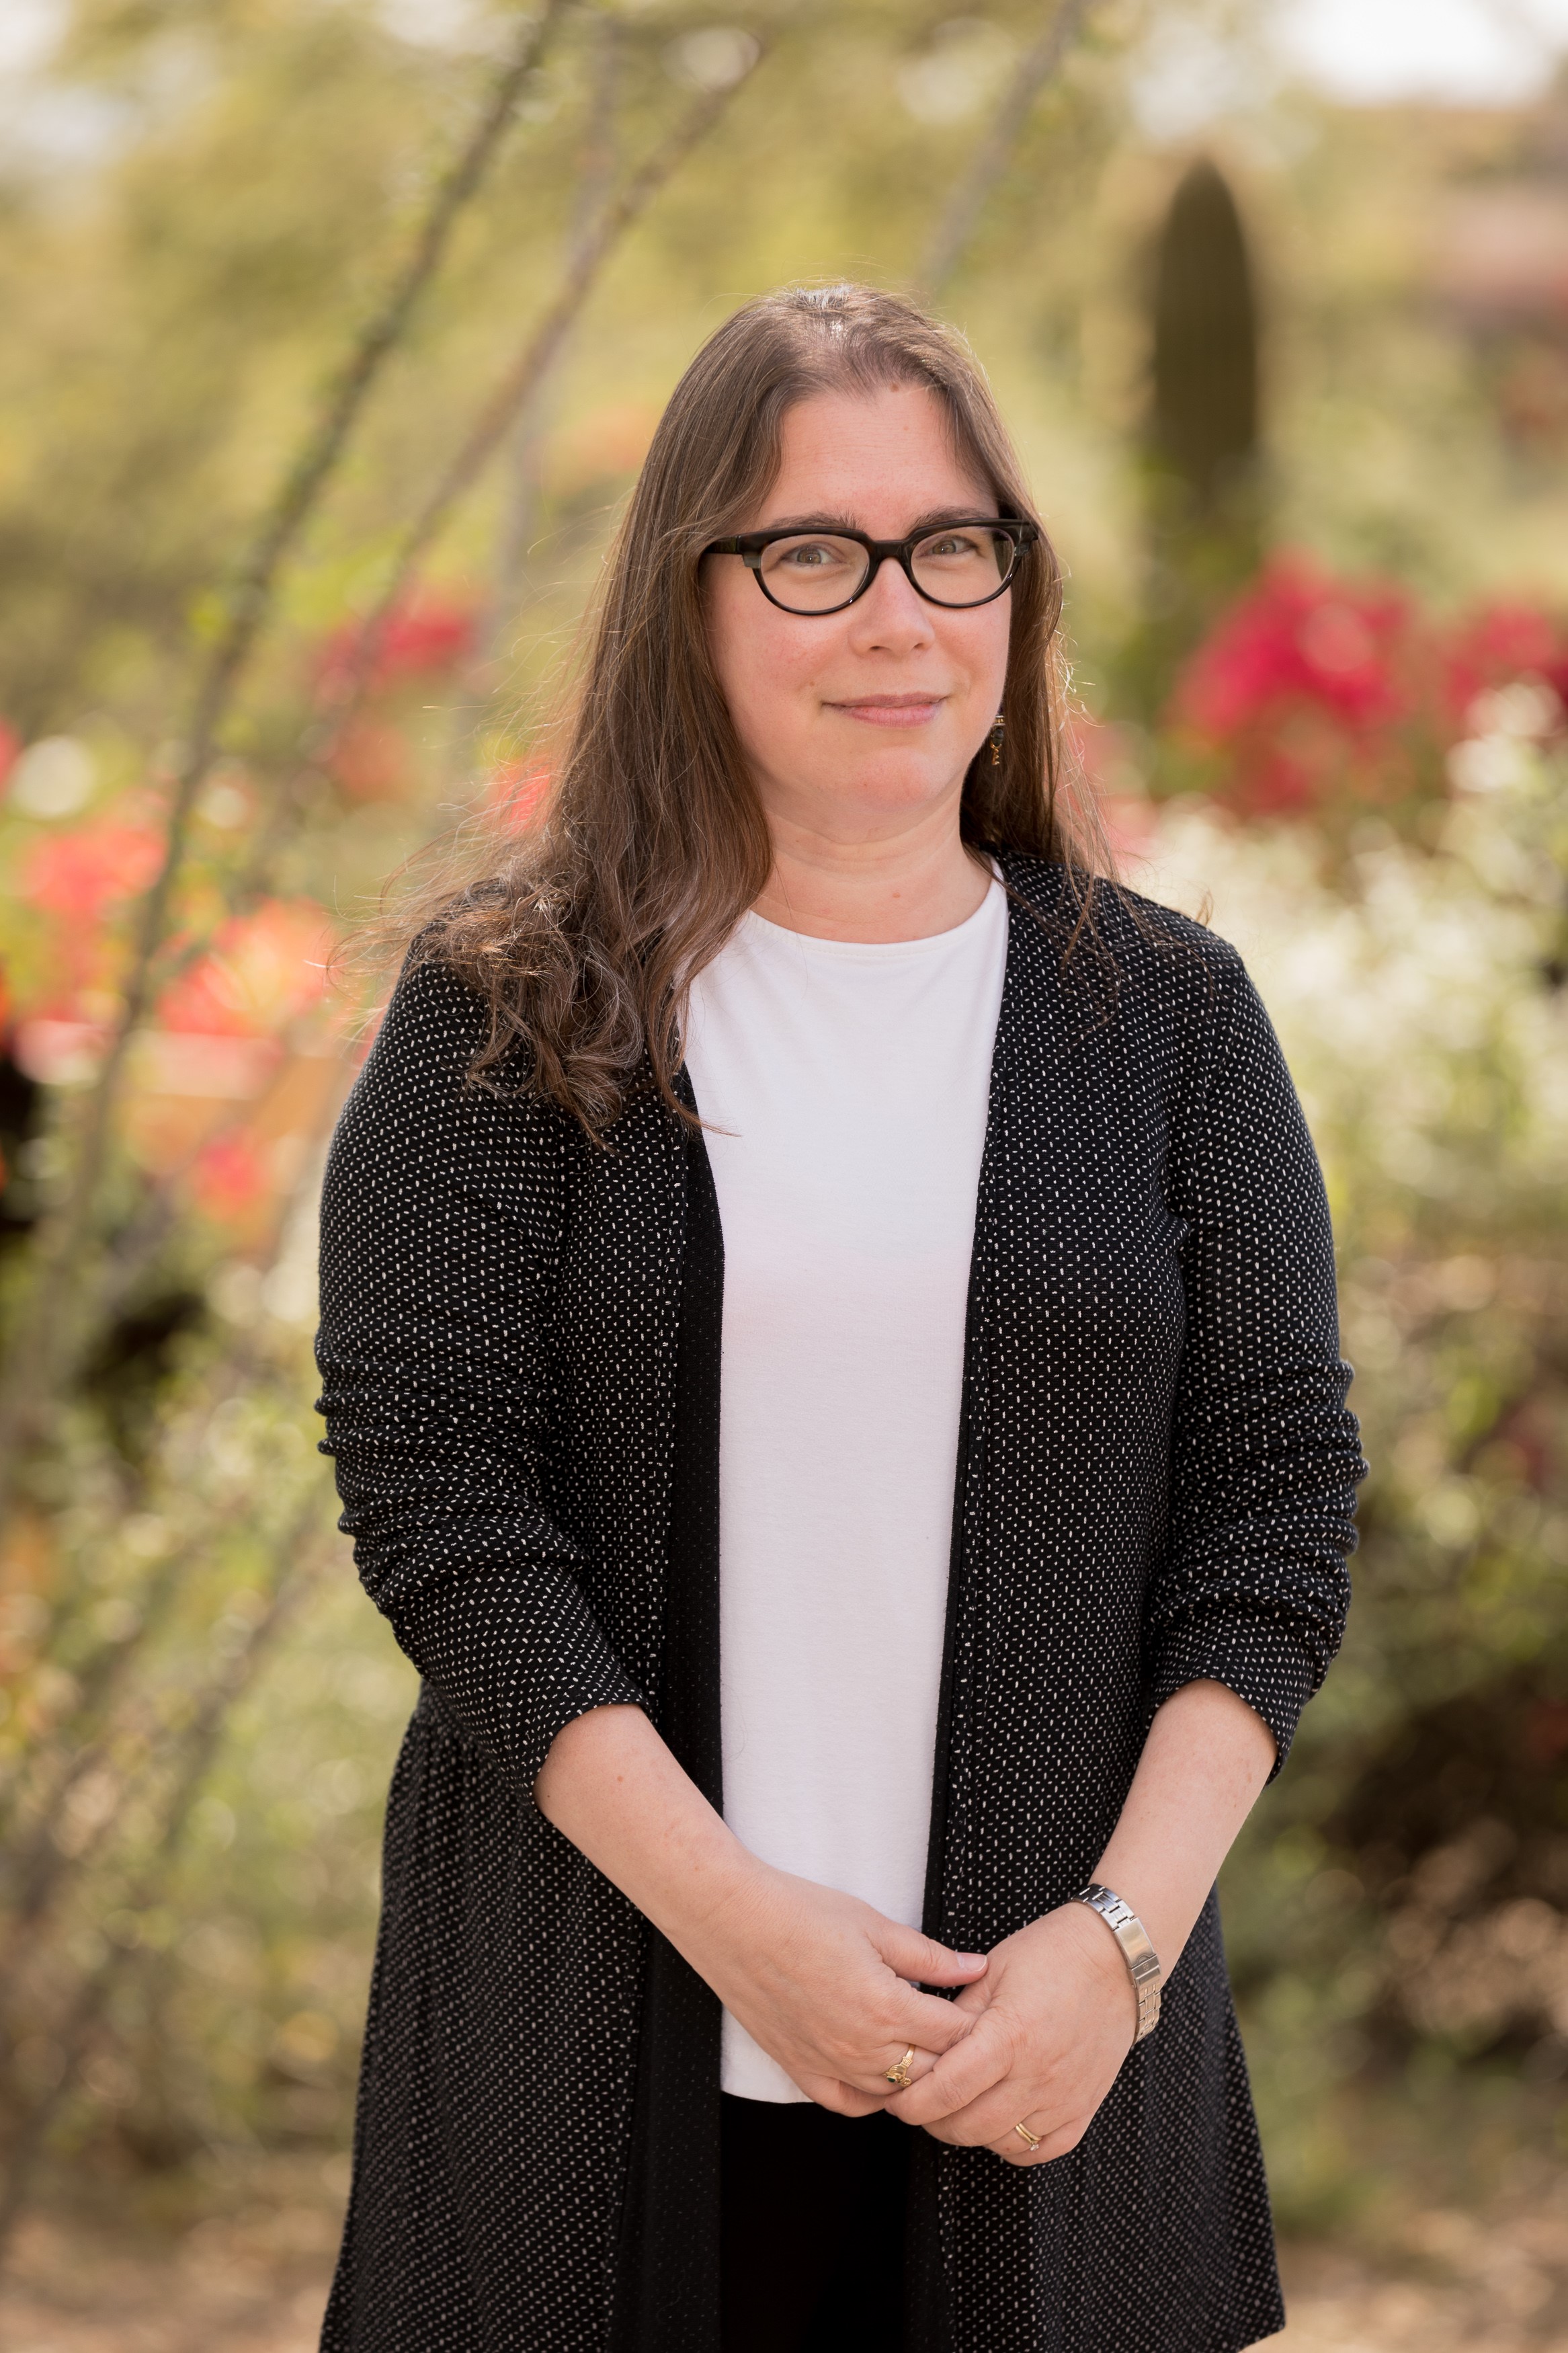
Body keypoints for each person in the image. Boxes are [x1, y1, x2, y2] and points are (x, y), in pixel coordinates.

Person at [314, 282, 1365, 2353]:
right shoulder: (503, 1014)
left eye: (951, 547)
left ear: (1014, 590)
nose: (900, 617)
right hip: (596, 2075)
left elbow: (1276, 1509)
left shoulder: (1167, 1024)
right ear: (687, 598)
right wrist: (741, 1931)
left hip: (1051, 2076)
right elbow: (446, 1512)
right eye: (815, 553)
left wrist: (1120, 1950)